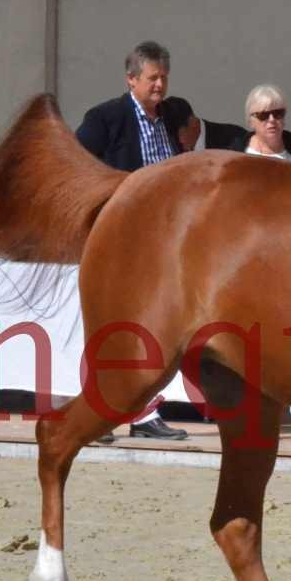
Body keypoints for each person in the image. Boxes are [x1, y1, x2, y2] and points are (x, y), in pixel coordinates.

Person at [71, 41, 191, 441]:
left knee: (147, 329)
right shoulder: (105, 117)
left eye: (164, 77)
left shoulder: (170, 116)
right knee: (111, 328)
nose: (160, 85)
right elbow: (77, 167)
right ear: (132, 79)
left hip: (162, 242)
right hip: (121, 238)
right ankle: (99, 412)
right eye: (153, 78)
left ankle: (141, 414)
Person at [211, 84, 291, 441]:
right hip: (244, 264)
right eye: (264, 115)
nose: (272, 121)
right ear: (251, 121)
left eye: (278, 113)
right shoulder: (235, 158)